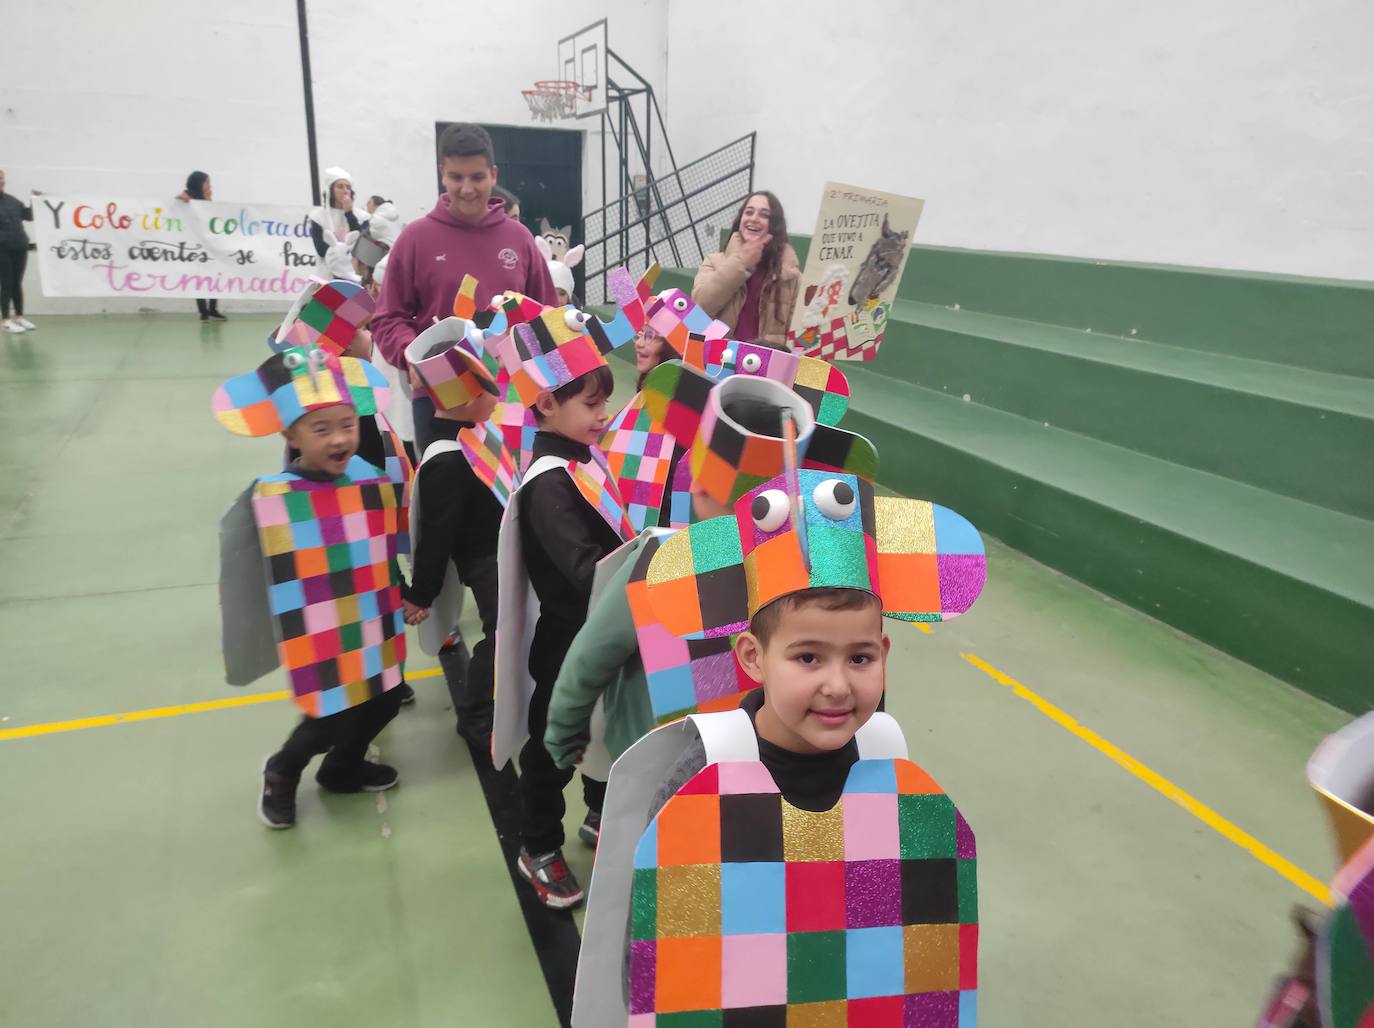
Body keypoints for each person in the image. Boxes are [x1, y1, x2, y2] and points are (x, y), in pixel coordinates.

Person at [569, 468, 988, 1025]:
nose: (838, 685)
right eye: (808, 657)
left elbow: (921, 956)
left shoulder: (892, 765)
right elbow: (652, 962)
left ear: (884, 652)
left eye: (860, 658)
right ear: (751, 658)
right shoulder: (704, 775)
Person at [486, 283, 644, 908]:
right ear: (546, 403)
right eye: (592, 401)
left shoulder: (583, 456)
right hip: (567, 642)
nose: (606, 411)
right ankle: (538, 843)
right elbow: (583, 570)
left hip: (603, 628)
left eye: (606, 398)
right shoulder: (549, 483)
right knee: (559, 745)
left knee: (610, 733)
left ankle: (598, 814)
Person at [213, 345, 409, 829]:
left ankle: (341, 768)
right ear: (290, 433)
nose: (339, 438)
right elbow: (249, 573)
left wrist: (401, 588)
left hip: (372, 614)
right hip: (318, 628)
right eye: (321, 429)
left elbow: (382, 543)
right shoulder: (274, 498)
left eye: (348, 424)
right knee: (331, 712)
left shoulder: (368, 480)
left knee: (384, 696)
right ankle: (283, 770)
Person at [371, 122, 555, 456]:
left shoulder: (520, 239)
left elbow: (547, 318)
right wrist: (412, 357)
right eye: (457, 177)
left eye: (477, 177)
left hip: (511, 399)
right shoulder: (415, 238)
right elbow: (387, 318)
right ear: (442, 174)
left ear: (494, 174)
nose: (467, 188)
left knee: (509, 504)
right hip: (439, 401)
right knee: (446, 501)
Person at [400, 329, 504, 743]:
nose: (499, 397)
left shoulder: (475, 433)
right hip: (484, 559)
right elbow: (435, 534)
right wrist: (421, 594)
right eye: (491, 388)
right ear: (468, 397)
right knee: (501, 632)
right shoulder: (446, 459)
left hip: (500, 549)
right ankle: (477, 713)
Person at [691, 190, 801, 347]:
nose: (754, 219)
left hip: (766, 367)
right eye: (749, 212)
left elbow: (799, 338)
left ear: (774, 226)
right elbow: (699, 309)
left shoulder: (790, 276)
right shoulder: (714, 262)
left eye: (764, 215)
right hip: (719, 363)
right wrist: (740, 263)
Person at [175, 171, 225, 322]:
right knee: (199, 278)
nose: (209, 186)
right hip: (194, 246)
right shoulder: (186, 197)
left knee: (214, 276)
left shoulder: (206, 199)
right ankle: (203, 311)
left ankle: (213, 308)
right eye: (206, 183)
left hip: (209, 245)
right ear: (198, 183)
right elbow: (179, 202)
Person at [309, 167, 368, 281]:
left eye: (348, 187)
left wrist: (349, 213)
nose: (345, 190)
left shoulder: (362, 216)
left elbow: (361, 246)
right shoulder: (317, 216)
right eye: (340, 186)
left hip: (354, 277)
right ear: (331, 190)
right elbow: (321, 250)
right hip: (327, 276)